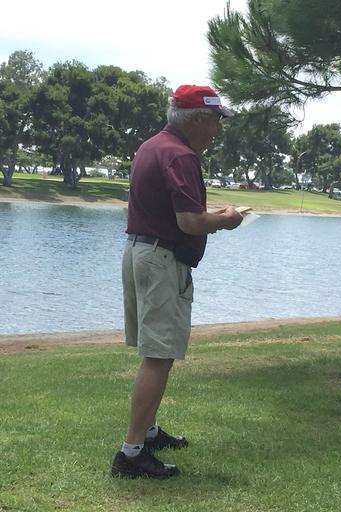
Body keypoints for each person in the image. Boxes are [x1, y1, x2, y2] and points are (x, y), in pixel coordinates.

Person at [111, 85, 244, 479]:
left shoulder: (152, 146)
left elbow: (174, 211)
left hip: (140, 251)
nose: (217, 130)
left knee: (157, 350)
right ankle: (131, 453)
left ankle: (149, 433)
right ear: (198, 118)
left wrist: (209, 215)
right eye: (216, 120)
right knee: (159, 355)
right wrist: (227, 220)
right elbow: (188, 222)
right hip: (161, 259)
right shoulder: (181, 155)